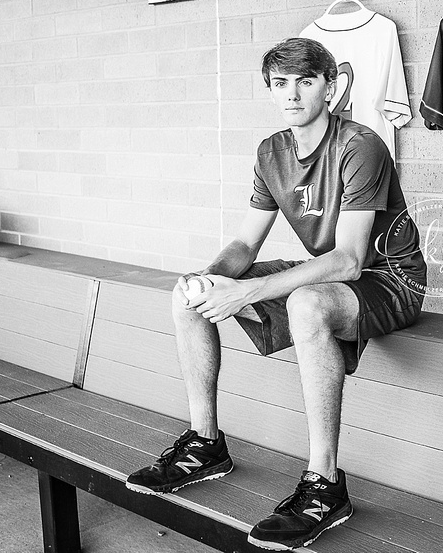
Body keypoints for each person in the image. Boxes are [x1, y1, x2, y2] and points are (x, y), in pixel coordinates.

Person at [125, 37, 426, 551]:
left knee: (305, 303)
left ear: (330, 88)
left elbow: (351, 259)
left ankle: (325, 485)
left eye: (306, 81)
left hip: (387, 278)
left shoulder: (360, 145)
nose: (293, 94)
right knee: (188, 293)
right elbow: (245, 243)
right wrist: (213, 278)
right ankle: (205, 444)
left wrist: (248, 292)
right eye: (281, 83)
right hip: (324, 273)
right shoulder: (271, 152)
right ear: (270, 90)